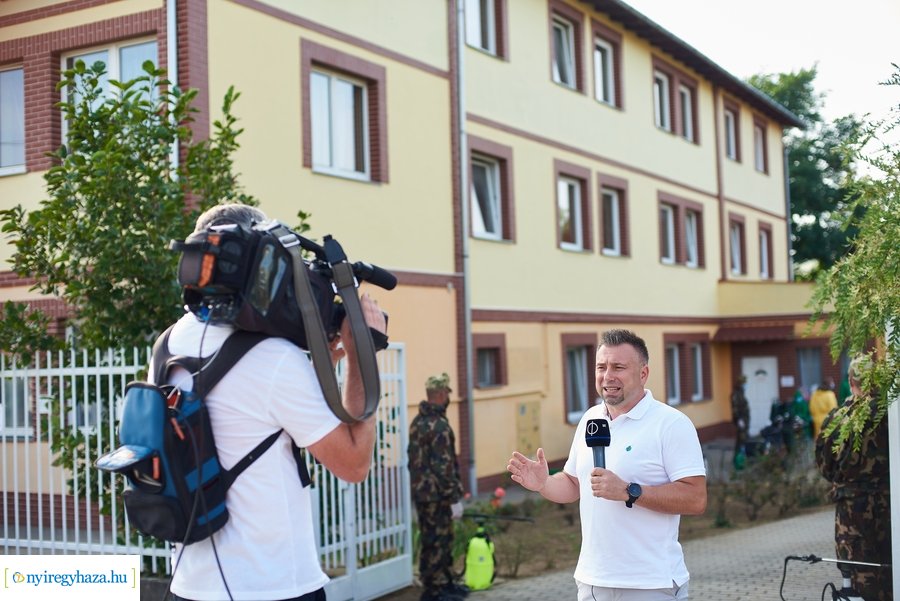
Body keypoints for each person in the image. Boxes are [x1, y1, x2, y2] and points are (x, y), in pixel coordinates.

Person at [159, 203, 387, 601]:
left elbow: (241, 414)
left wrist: (320, 362)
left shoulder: (168, 344)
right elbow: (353, 464)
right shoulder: (273, 358)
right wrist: (362, 351)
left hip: (190, 586)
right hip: (273, 587)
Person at [507, 329, 707, 600]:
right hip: (593, 582)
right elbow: (573, 485)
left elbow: (695, 498)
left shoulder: (671, 424)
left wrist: (629, 491)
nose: (607, 376)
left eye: (619, 367)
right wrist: (543, 483)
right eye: (601, 367)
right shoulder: (591, 419)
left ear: (643, 373)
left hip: (650, 583)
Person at [815, 355, 892, 601]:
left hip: (852, 513)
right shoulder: (892, 416)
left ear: (851, 381)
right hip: (892, 508)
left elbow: (825, 467)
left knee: (860, 580)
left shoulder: (837, 419)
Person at [408, 373, 468, 601]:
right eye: (447, 394)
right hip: (438, 496)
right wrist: (453, 498)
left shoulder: (418, 422)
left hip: (423, 494)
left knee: (431, 539)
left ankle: (444, 583)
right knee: (439, 541)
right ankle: (436, 591)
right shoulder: (439, 425)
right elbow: (444, 467)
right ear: (442, 394)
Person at [730, 375, 750, 469]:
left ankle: (741, 461)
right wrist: (739, 420)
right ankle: (737, 463)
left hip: (744, 421)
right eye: (744, 383)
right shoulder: (735, 394)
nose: (746, 385)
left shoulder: (741, 393)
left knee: (743, 441)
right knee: (740, 441)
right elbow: (735, 409)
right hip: (741, 422)